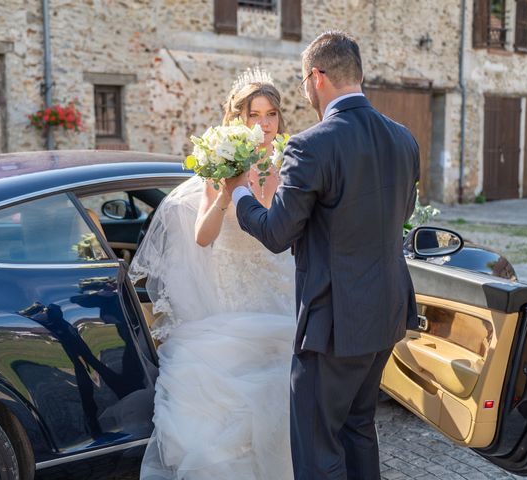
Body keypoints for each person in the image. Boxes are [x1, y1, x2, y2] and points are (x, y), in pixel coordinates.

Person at [225, 31, 420, 480]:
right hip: (387, 315)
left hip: (331, 325)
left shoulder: (310, 145)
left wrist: (240, 197)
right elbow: (400, 217)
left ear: (317, 77)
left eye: (301, 83)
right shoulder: (404, 139)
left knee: (317, 448)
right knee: (359, 428)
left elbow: (277, 233)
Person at [129, 68, 295, 480]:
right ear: (237, 119)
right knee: (229, 408)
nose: (263, 123)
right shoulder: (220, 167)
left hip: (278, 290)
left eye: (271, 114)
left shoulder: (293, 163)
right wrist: (226, 192)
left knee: (282, 397)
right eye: (253, 114)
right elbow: (203, 237)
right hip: (230, 301)